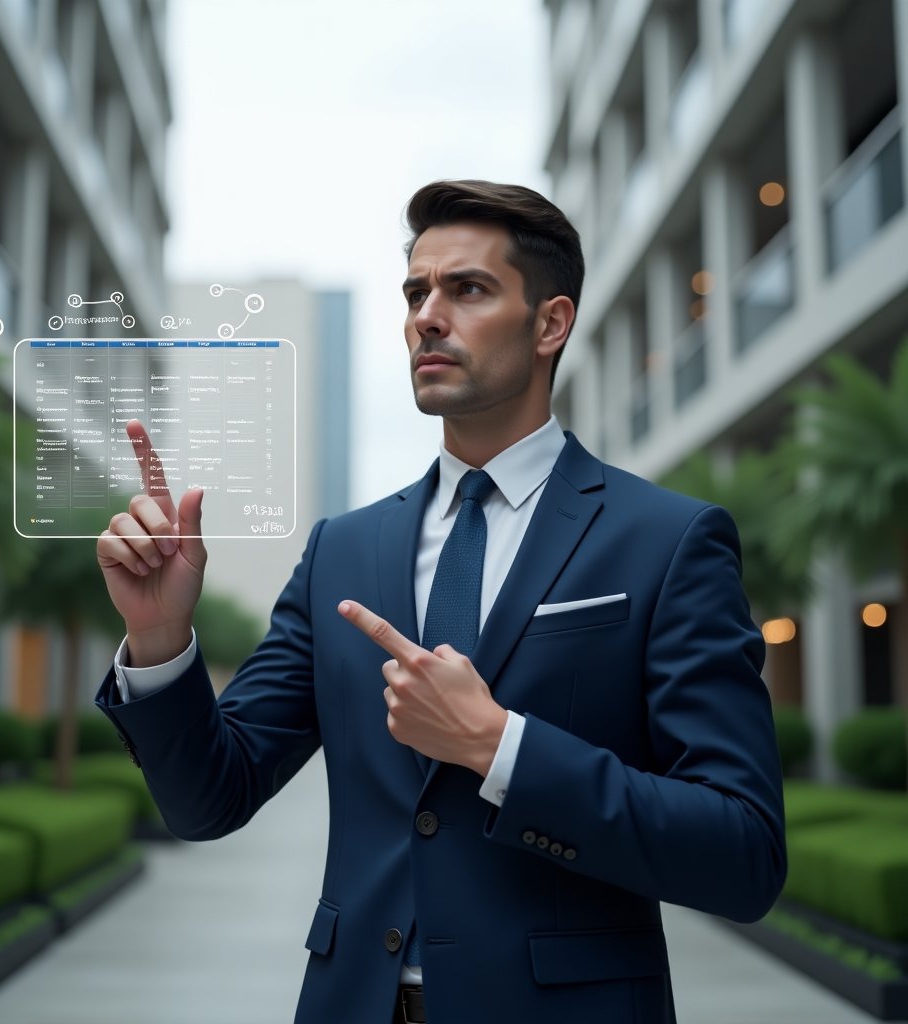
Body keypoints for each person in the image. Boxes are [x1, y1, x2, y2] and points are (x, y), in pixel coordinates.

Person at [94, 179, 786, 1024]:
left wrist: (503, 749)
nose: (426, 315)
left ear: (550, 324)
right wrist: (161, 639)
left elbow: (744, 853)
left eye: (467, 289)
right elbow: (210, 800)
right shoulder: (341, 551)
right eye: (416, 292)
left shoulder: (667, 541)